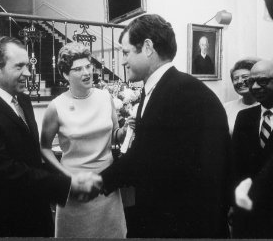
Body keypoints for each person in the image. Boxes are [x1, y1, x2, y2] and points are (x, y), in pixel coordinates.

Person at [94, 14, 231, 238]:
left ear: (147, 47)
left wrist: (95, 182)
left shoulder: (188, 93)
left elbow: (209, 171)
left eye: (126, 52)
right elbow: (148, 152)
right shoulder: (156, 90)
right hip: (160, 217)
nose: (123, 61)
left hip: (185, 225)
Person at [0, 36, 100, 237]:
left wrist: (68, 176)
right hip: (5, 221)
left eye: (27, 65)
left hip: (37, 214)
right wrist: (66, 185)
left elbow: (31, 158)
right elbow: (3, 171)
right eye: (19, 67)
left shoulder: (23, 100)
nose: (28, 73)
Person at [40, 42, 129, 238]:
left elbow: (114, 135)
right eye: (78, 69)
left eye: (88, 66)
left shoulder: (105, 97)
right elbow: (44, 148)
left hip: (106, 186)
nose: (87, 72)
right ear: (65, 75)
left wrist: (125, 131)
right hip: (75, 190)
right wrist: (68, 177)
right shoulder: (56, 106)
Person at [230, 59, 273, 238]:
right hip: (247, 210)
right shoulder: (245, 117)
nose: (256, 87)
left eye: (263, 81)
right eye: (251, 81)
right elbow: (235, 165)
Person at [224, 58, 260, 136]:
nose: (240, 81)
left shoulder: (267, 107)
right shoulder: (227, 108)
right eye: (236, 78)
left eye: (245, 77)